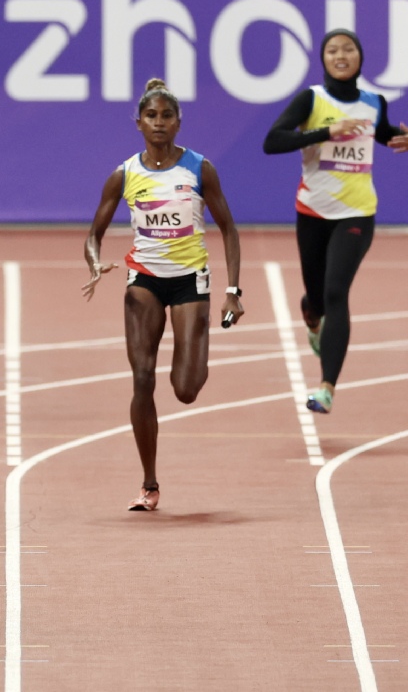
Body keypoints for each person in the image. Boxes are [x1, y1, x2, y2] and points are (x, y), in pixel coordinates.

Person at [83, 78, 244, 512]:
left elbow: (228, 227)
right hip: (145, 280)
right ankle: (149, 483)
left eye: (166, 115)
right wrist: (95, 263)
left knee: (186, 389)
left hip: (190, 280)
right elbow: (93, 235)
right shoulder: (124, 174)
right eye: (151, 116)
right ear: (138, 123)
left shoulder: (199, 168)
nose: (159, 123)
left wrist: (232, 290)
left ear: (178, 122)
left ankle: (191, 353)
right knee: (140, 377)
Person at [262, 28, 408, 414]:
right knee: (318, 298)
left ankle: (326, 388)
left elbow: (383, 133)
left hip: (357, 213)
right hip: (312, 213)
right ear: (323, 59)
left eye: (348, 48)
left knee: (337, 292)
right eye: (333, 50)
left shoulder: (374, 102)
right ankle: (312, 315)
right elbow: (273, 141)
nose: (341, 55)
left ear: (359, 57)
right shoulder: (311, 99)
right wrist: (325, 131)